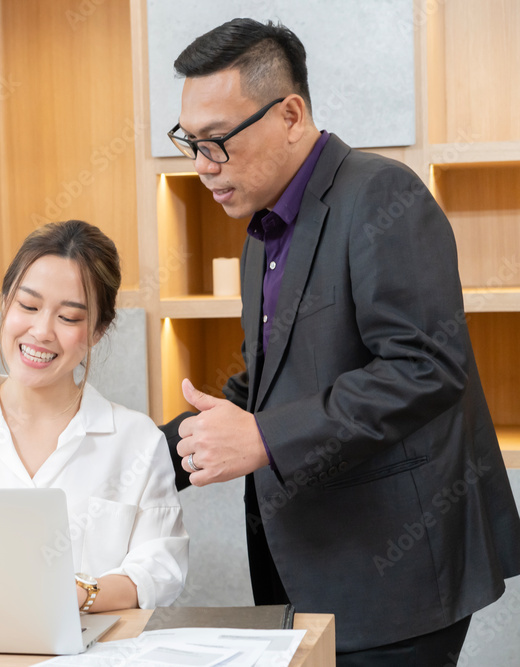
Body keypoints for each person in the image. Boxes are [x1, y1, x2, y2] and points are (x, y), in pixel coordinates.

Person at [162, 18, 520, 665]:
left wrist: (266, 437)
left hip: (394, 573)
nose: (201, 165)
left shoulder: (383, 195)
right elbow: (272, 378)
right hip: (312, 563)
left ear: (291, 113)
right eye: (190, 141)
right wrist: (157, 453)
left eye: (217, 142)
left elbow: (425, 367)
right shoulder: (261, 235)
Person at [0, 220, 189, 612]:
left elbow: (160, 569)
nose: (41, 331)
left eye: (68, 318)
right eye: (28, 306)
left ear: (98, 331)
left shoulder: (137, 439)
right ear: (5, 302)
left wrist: (80, 595)